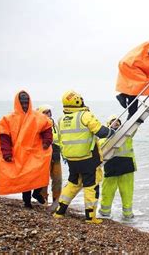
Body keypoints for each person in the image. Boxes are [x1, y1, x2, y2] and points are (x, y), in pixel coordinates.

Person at [53, 90, 115, 224]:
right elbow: (101, 132)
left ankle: (60, 211)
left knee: (73, 183)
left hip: (71, 160)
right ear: (77, 101)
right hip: (88, 158)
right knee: (91, 186)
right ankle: (90, 217)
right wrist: (112, 132)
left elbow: (59, 139)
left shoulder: (61, 119)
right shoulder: (85, 115)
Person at [0, 91, 53, 208]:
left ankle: (37, 193)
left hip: (35, 151)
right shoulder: (8, 119)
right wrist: (7, 153)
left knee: (39, 172)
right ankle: (27, 202)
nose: (24, 105)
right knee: (25, 178)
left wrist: (47, 142)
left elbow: (47, 129)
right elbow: (4, 137)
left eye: (26, 102)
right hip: (19, 153)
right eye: (22, 103)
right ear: (17, 103)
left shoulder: (38, 117)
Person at [99, 116, 137, 219]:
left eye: (118, 122)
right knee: (107, 191)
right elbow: (100, 146)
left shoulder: (127, 134)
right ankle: (105, 212)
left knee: (127, 191)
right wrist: (110, 136)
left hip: (126, 165)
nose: (116, 123)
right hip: (111, 165)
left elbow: (134, 127)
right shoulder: (104, 137)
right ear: (109, 125)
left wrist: (136, 120)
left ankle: (128, 214)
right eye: (113, 122)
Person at [37, 105, 63, 209]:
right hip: (44, 154)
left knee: (57, 179)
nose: (48, 114)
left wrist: (64, 153)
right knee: (43, 179)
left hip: (56, 154)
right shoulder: (38, 125)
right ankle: (43, 201)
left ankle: (56, 201)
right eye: (45, 112)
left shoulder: (54, 124)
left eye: (49, 112)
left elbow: (60, 139)